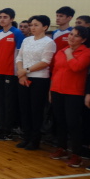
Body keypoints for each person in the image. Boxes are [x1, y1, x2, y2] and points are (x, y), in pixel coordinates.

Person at [49, 27, 90, 166]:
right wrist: (51, 90)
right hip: (57, 90)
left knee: (73, 123)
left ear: (84, 39)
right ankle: (61, 148)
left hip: (74, 93)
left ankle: (76, 154)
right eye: (71, 34)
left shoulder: (87, 53)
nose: (71, 37)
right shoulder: (61, 51)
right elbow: (55, 71)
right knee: (60, 121)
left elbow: (76, 67)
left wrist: (69, 54)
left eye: (76, 36)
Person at [15, 15, 56, 150]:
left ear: (45, 27)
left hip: (39, 79)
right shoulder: (26, 40)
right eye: (31, 25)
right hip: (23, 78)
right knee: (24, 109)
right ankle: (26, 137)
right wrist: (21, 73)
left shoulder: (49, 42)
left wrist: (25, 71)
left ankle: (35, 140)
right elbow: (19, 57)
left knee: (36, 110)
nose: (32, 27)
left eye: (36, 25)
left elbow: (45, 62)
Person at [0, 8, 24, 141]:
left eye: (5, 17)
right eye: (0, 17)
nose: (2, 19)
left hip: (11, 72)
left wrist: (19, 71)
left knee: (9, 102)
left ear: (12, 19)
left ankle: (8, 130)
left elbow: (20, 53)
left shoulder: (17, 33)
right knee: (1, 101)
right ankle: (1, 127)